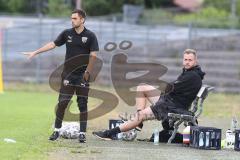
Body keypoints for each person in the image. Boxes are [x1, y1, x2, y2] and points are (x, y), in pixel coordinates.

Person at [93, 49, 205, 140]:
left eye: (190, 60)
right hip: (170, 101)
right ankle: (139, 123)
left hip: (173, 107)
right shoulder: (190, 72)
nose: (187, 62)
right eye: (185, 59)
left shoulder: (192, 76)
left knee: (140, 115)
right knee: (142, 87)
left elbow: (170, 87)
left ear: (195, 61)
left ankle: (109, 133)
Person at [22, 9, 99, 143]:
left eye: (75, 18)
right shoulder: (66, 33)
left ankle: (82, 133)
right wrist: (35, 52)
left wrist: (87, 73)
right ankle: (56, 131)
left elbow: (93, 56)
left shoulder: (91, 36)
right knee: (62, 103)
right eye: (71, 18)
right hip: (68, 75)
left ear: (82, 20)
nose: (72, 20)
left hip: (82, 76)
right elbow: (53, 44)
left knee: (82, 104)